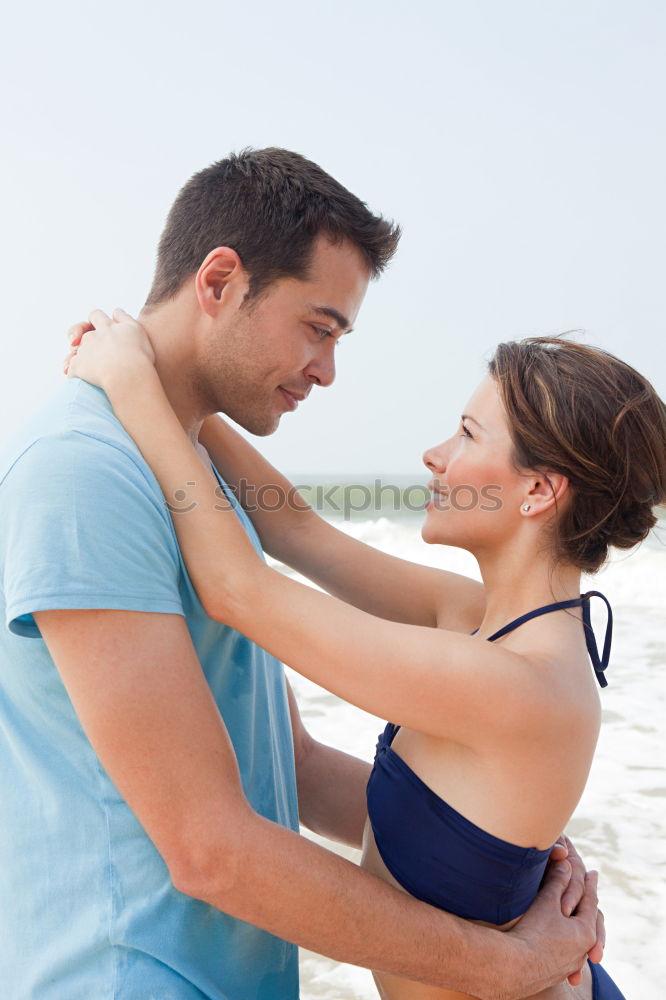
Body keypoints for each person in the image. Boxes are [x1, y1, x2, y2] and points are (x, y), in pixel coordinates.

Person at [0, 148, 600, 1000]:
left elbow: (296, 762)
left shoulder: (204, 497)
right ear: (218, 283)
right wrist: (511, 947)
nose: (326, 369)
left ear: (542, 491)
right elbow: (210, 846)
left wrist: (511, 860)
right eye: (319, 327)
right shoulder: (84, 474)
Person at [64, 319, 666, 1000]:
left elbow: (240, 589)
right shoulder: (481, 621)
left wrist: (131, 384)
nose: (434, 456)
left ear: (538, 492)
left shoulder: (512, 683)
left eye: (468, 435)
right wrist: (178, 391)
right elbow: (297, 531)